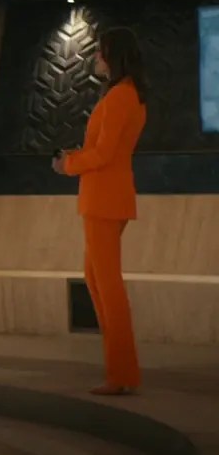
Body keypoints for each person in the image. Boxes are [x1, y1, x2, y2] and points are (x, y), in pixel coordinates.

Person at [53, 27, 148, 396]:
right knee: (97, 281)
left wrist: (69, 165)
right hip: (107, 197)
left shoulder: (121, 96)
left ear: (114, 55)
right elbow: (107, 150)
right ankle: (120, 371)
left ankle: (121, 373)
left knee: (107, 286)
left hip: (105, 200)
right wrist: (77, 157)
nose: (96, 58)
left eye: (100, 52)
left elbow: (105, 154)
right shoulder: (126, 94)